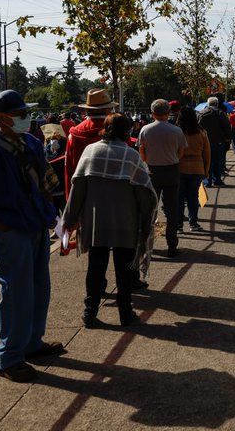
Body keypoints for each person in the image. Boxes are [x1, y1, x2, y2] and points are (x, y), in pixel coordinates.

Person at [0, 90, 62, 382]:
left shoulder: (30, 142)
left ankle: (32, 343)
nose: (26, 118)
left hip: (35, 225)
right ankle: (8, 357)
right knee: (16, 293)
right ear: (1, 118)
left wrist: (49, 215)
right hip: (11, 231)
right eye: (20, 114)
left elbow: (47, 181)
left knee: (39, 286)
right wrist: (2, 226)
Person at [63, 113, 157, 328]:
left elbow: (78, 188)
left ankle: (90, 313)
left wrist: (70, 219)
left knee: (95, 268)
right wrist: (146, 223)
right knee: (125, 271)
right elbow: (145, 193)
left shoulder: (90, 151)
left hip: (96, 222)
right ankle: (125, 313)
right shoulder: (130, 156)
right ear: (127, 131)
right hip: (126, 222)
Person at [138, 99, 187, 258]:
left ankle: (146, 246)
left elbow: (142, 152)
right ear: (168, 112)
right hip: (172, 170)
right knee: (171, 210)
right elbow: (181, 153)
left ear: (152, 113)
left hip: (152, 171)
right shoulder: (176, 131)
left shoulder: (145, 130)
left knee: (149, 210)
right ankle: (172, 245)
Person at [64, 89, 117, 200]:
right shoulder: (116, 130)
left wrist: (71, 200)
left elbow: (69, 169)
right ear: (107, 110)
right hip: (113, 195)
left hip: (83, 195)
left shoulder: (73, 134)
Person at [177, 107, 211, 232]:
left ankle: (178, 225)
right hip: (197, 168)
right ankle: (193, 223)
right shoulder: (201, 133)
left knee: (179, 198)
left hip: (180, 168)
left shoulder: (178, 132)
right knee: (193, 197)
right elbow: (207, 154)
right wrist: (206, 171)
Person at [197, 97, 230, 187]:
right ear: (217, 104)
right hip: (218, 141)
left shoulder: (201, 113)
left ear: (208, 104)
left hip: (204, 141)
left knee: (206, 161)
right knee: (217, 161)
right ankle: (217, 180)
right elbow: (227, 126)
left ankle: (207, 180)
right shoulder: (220, 113)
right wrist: (227, 138)